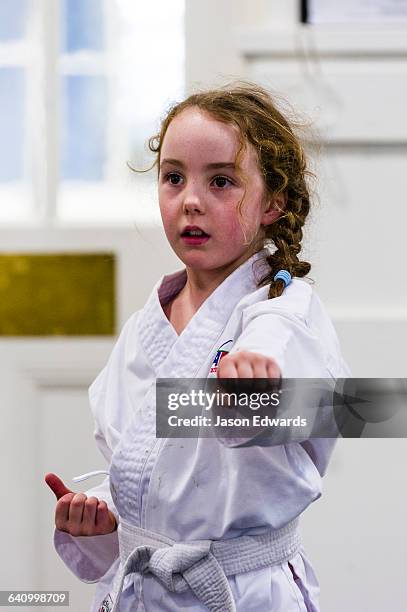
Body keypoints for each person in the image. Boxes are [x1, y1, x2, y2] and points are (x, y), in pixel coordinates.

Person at [45, 82, 351, 611]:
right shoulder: (147, 325)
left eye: (222, 181)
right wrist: (100, 521)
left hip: (241, 591)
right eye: (173, 177)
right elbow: (140, 474)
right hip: (142, 589)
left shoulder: (282, 316)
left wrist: (257, 394)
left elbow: (327, 413)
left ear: (273, 202)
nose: (190, 200)